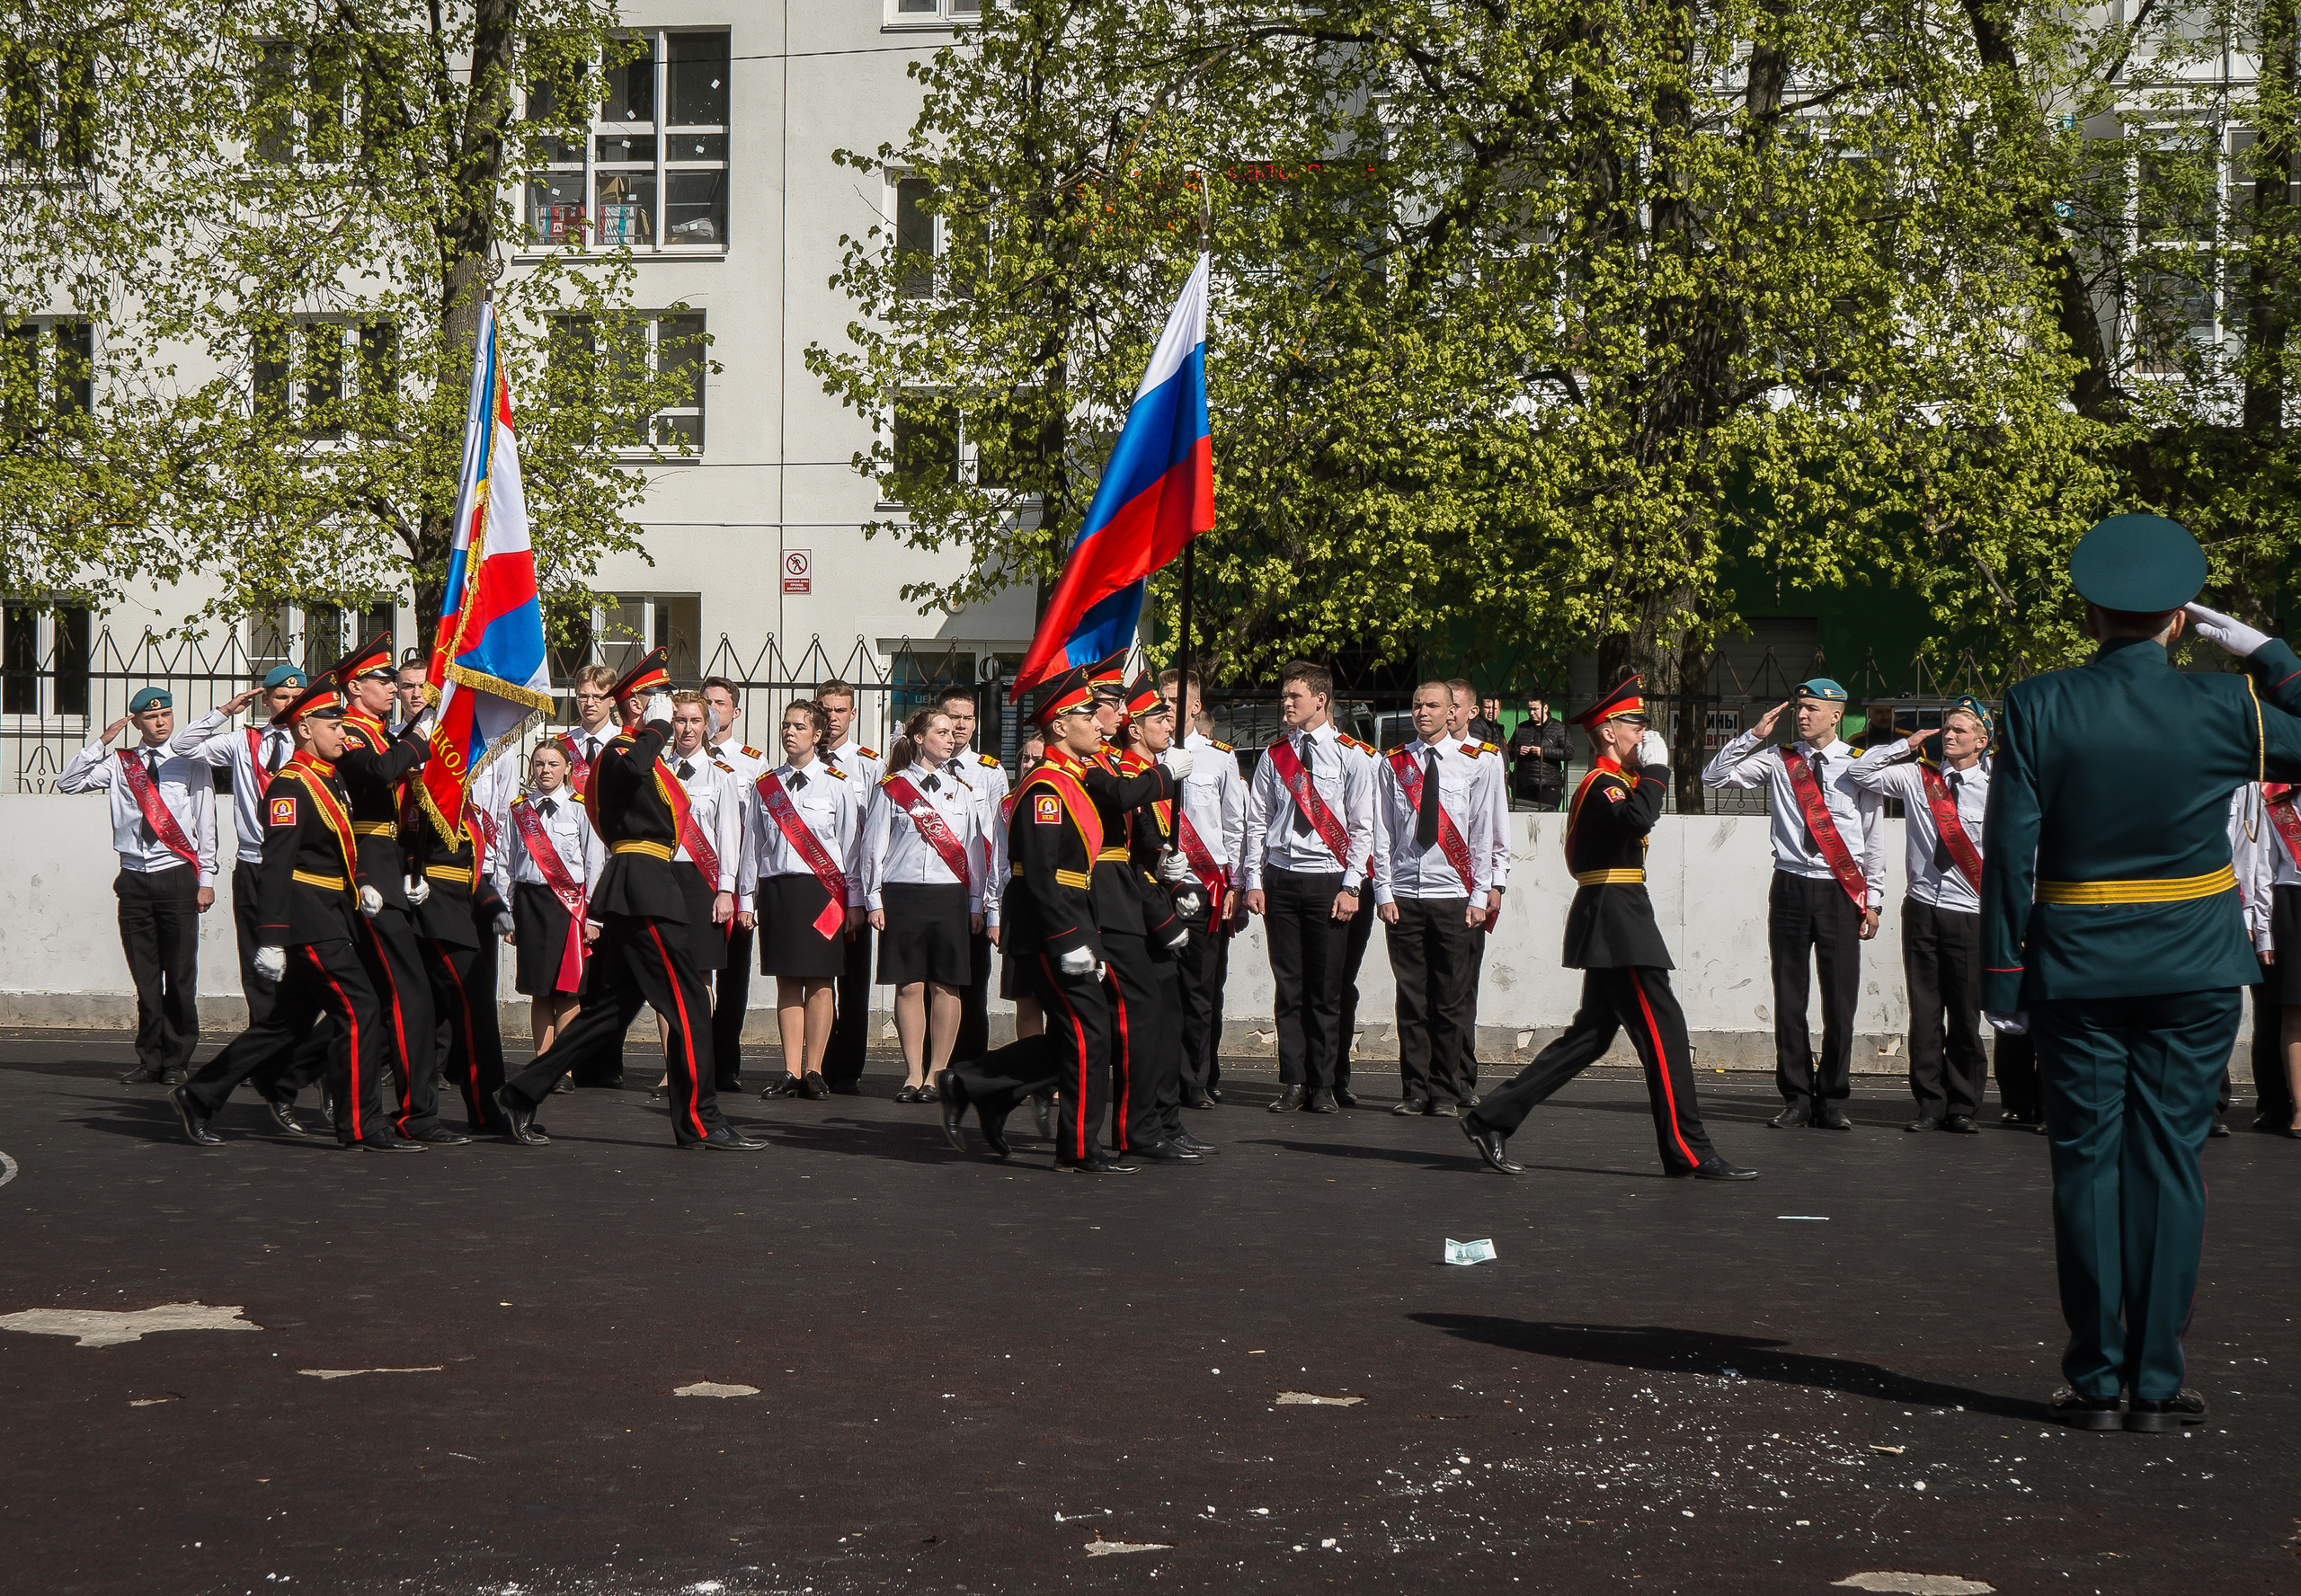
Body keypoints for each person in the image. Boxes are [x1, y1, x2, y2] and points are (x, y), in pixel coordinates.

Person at [1980, 514, 2301, 1433]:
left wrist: (2005, 975)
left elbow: (2009, 851)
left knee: (2084, 1167)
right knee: (2169, 1164)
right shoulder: (2223, 704)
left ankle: (2093, 1378)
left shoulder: (2036, 702)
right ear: (2177, 619)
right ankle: (2154, 1384)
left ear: (2089, 614)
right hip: (2194, 964)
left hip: (2076, 964)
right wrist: (2267, 652)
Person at [1461, 678, 1754, 1182]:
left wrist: (1649, 772)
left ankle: (1491, 1118)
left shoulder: (1615, 782)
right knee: (1665, 1033)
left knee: (1590, 1038)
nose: (1644, 733)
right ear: (1609, 731)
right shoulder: (1604, 785)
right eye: (1636, 724)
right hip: (1617, 918)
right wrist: (1659, 770)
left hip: (1616, 912)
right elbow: (1639, 820)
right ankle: (1690, 1149)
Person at [496, 647, 762, 1150]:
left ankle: (519, 1093)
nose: (666, 713)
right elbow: (635, 768)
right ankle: (700, 1119)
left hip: (644, 885)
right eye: (656, 699)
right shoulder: (619, 751)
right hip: (641, 887)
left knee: (609, 1012)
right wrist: (653, 728)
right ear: (635, 705)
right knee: (688, 1004)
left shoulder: (644, 755)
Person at [168, 677, 408, 1149]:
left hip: (332, 911)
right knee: (361, 1010)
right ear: (304, 728)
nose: (344, 733)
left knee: (286, 1024)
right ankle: (363, 1123)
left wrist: (360, 883)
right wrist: (273, 936)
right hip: (308, 920)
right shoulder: (290, 786)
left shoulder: (329, 777)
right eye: (334, 724)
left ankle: (200, 1094)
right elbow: (278, 864)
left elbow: (334, 846)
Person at [937, 667, 1151, 1172]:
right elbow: (1040, 873)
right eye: (1086, 714)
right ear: (1059, 724)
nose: (1099, 724)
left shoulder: (1071, 780)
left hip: (1074, 923)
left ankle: (977, 1085)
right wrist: (1071, 939)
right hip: (1051, 927)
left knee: (1080, 1033)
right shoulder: (1046, 789)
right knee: (1087, 1033)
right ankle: (1077, 1148)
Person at [1701, 678, 1885, 1130]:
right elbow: (1713, 778)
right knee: (1789, 995)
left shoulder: (1858, 767)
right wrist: (1753, 736)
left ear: (1837, 714)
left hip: (1841, 890)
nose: (1802, 715)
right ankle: (1798, 1095)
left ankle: (1833, 1099)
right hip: (1789, 885)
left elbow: (1873, 837)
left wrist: (1873, 898)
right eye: (1799, 708)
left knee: (1840, 998)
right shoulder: (1779, 760)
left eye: (1812, 708)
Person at [168, 665, 333, 1123]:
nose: (289, 703)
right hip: (258, 865)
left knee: (314, 972)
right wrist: (223, 711)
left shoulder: (320, 745)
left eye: (296, 696)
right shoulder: (245, 741)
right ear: (267, 701)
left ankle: (293, 1064)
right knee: (260, 971)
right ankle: (273, 1066)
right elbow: (183, 746)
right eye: (280, 697)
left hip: (307, 870)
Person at [58, 687, 218, 1088]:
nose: (161, 722)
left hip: (177, 874)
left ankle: (178, 1060)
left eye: (166, 714)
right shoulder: (119, 763)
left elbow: (206, 820)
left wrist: (207, 879)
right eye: (151, 717)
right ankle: (150, 1060)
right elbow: (67, 783)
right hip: (133, 878)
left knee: (180, 974)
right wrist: (102, 742)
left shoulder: (190, 760)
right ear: (137, 722)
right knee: (145, 977)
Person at [1849, 697, 1994, 1134]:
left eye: (1960, 731)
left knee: (1966, 1016)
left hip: (1970, 911)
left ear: (1982, 741)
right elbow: (1860, 773)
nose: (1949, 735)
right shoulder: (1918, 777)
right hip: (1922, 909)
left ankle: (1963, 1105)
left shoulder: (1998, 787)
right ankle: (1930, 1103)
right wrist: (1903, 745)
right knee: (1925, 1012)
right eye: (1946, 728)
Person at [330, 633, 452, 1142]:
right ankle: (413, 1114)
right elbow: (380, 772)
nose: (390, 688)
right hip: (369, 873)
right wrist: (424, 735)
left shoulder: (380, 732)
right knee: (408, 995)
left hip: (390, 869)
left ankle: (299, 1075)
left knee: (386, 997)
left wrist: (412, 867)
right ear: (357, 687)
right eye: (383, 680)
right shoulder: (354, 735)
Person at [1245, 661, 1376, 1113]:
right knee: (1290, 985)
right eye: (1284, 696)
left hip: (1328, 881)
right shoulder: (1273, 754)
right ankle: (1294, 1081)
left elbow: (1363, 827)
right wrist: (1254, 879)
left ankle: (1324, 1084)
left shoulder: (1353, 754)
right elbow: (1256, 821)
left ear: (1320, 699)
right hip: (1282, 877)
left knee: (1326, 988)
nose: (1286, 704)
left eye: (1294, 696)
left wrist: (1352, 886)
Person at [1373, 682, 1499, 1116]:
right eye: (1416, 705)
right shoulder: (1395, 762)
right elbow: (1382, 831)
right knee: (1412, 999)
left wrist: (1480, 895)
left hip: (1453, 895)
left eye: (1432, 705)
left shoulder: (1480, 763)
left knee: (1450, 999)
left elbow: (1486, 836)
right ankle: (1414, 1089)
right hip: (1405, 895)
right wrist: (1383, 891)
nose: (1422, 712)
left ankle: (1446, 1090)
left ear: (1452, 712)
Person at [859, 706, 983, 1102]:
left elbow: (975, 851)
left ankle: (938, 1073)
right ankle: (913, 1073)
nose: (951, 737)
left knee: (947, 985)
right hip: (903, 892)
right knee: (909, 985)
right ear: (918, 738)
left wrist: (978, 902)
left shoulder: (962, 791)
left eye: (953, 732)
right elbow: (873, 846)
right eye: (942, 731)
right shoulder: (892, 787)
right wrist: (873, 898)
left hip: (949, 895)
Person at [741, 698, 863, 1100]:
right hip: (779, 891)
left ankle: (815, 1070)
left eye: (798, 726)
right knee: (787, 981)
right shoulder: (766, 786)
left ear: (815, 733)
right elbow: (752, 847)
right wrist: (746, 899)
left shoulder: (838, 783)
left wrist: (855, 901)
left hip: (822, 892)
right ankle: (791, 1069)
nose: (790, 732)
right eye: (785, 725)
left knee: (821, 981)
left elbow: (852, 847)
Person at [1108, 672, 1207, 1162]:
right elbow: (1126, 854)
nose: (1169, 724)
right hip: (1135, 914)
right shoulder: (1128, 776)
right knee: (1143, 1028)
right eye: (1158, 717)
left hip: (1156, 904)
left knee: (1168, 1023)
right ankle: (1146, 1123)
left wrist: (1175, 873)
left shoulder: (1153, 772)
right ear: (1133, 728)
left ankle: (1166, 1119)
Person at [408, 752, 519, 1137]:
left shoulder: (467, 809)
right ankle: (484, 1109)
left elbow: (468, 871)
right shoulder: (425, 797)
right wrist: (409, 875)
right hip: (433, 915)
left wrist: (492, 906)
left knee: (425, 1017)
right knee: (475, 1012)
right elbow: (405, 846)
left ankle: (453, 1110)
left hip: (460, 913)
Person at [1160, 668, 1247, 1110]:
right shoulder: (1145, 756)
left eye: (1174, 700)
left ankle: (1195, 1077)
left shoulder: (1219, 758)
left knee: (1199, 988)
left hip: (1204, 886)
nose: (1166, 707)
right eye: (1161, 699)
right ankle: (1159, 1074)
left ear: (1195, 707)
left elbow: (1235, 825)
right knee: (1159, 987)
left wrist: (1237, 883)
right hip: (1156, 887)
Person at [495, 740, 604, 1056]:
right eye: (540, 763)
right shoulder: (519, 810)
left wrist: (594, 917)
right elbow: (506, 865)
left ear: (568, 768)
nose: (546, 770)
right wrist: (507, 913)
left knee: (567, 991)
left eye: (553, 764)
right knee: (538, 990)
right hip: (529, 904)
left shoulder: (581, 808)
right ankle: (542, 1064)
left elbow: (595, 865)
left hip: (568, 908)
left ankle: (563, 1067)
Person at [658, 693, 743, 1080]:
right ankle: (671, 1067)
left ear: (706, 726)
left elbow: (728, 836)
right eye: (679, 720)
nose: (687, 729)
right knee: (665, 975)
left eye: (695, 721)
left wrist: (726, 890)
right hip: (664, 878)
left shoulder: (722, 776)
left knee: (701, 977)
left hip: (702, 881)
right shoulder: (657, 771)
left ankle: (698, 1064)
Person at [935, 684, 1010, 1063]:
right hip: (931, 891)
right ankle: (931, 1069)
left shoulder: (990, 772)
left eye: (967, 718)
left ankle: (969, 1068)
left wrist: (990, 906)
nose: (960, 726)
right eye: (953, 718)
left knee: (973, 985)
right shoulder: (915, 772)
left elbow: (998, 843)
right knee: (930, 984)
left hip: (973, 894)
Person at [700, 676, 768, 1092]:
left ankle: (726, 1062)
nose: (712, 710)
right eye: (706, 702)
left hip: (737, 881)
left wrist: (748, 891)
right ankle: (691, 1059)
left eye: (720, 703)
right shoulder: (678, 758)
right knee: (694, 976)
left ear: (735, 711)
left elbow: (758, 830)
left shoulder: (752, 762)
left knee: (734, 977)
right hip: (695, 882)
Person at [818, 678, 884, 1094]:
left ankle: (848, 1070)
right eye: (825, 711)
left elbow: (875, 835)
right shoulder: (800, 758)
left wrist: (866, 894)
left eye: (840, 710)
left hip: (853, 887)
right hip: (813, 888)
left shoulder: (871, 764)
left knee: (854, 984)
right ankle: (814, 1066)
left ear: (853, 714)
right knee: (815, 979)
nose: (832, 718)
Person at [1446, 677, 1511, 1104]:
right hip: (1425, 889)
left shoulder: (1484, 759)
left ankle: (1459, 1076)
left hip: (1470, 888)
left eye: (1455, 705)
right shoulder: (1410, 760)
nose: (1446, 711)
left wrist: (1497, 882)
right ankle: (1426, 1080)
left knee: (1462, 988)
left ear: (1473, 712)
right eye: (1440, 703)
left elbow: (1496, 827)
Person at [2244, 780, 2301, 1134]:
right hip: (2292, 908)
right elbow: (2262, 870)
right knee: (2293, 1012)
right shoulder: (2277, 804)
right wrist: (2263, 931)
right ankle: (2297, 1109)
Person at [556, 663, 618, 800]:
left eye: (598, 697)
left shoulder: (625, 742)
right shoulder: (561, 745)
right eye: (583, 696)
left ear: (613, 700)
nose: (589, 703)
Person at [1508, 696, 1570, 812]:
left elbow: (1569, 753)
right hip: (1523, 785)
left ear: (1545, 708)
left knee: (1547, 822)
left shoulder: (1558, 728)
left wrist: (1543, 752)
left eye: (1535, 709)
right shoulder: (1522, 727)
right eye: (1529, 709)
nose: (1531, 713)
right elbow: (1507, 754)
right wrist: (1518, 751)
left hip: (1548, 785)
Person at [389, 655, 428, 736]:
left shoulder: (452, 737)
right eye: (408, 687)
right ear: (397, 693)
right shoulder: (388, 739)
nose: (416, 694)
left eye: (423, 686)